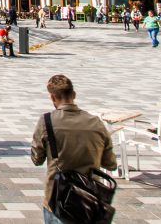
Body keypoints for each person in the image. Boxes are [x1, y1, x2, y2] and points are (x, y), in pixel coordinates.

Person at [30, 75, 117, 224]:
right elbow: (111, 164)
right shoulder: (96, 123)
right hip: (89, 202)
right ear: (74, 94)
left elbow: (36, 159)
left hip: (57, 201)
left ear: (52, 97)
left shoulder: (47, 121)